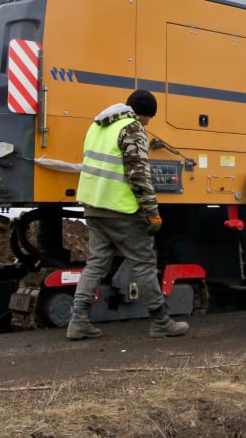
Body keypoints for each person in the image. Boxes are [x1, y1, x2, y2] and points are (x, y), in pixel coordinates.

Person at [66, 89, 189, 340]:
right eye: (149, 118)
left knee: (96, 264)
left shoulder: (97, 127)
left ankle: (78, 321)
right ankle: (161, 321)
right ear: (143, 113)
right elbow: (139, 175)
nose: (147, 123)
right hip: (121, 209)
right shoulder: (132, 128)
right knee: (143, 264)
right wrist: (152, 212)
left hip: (94, 206)